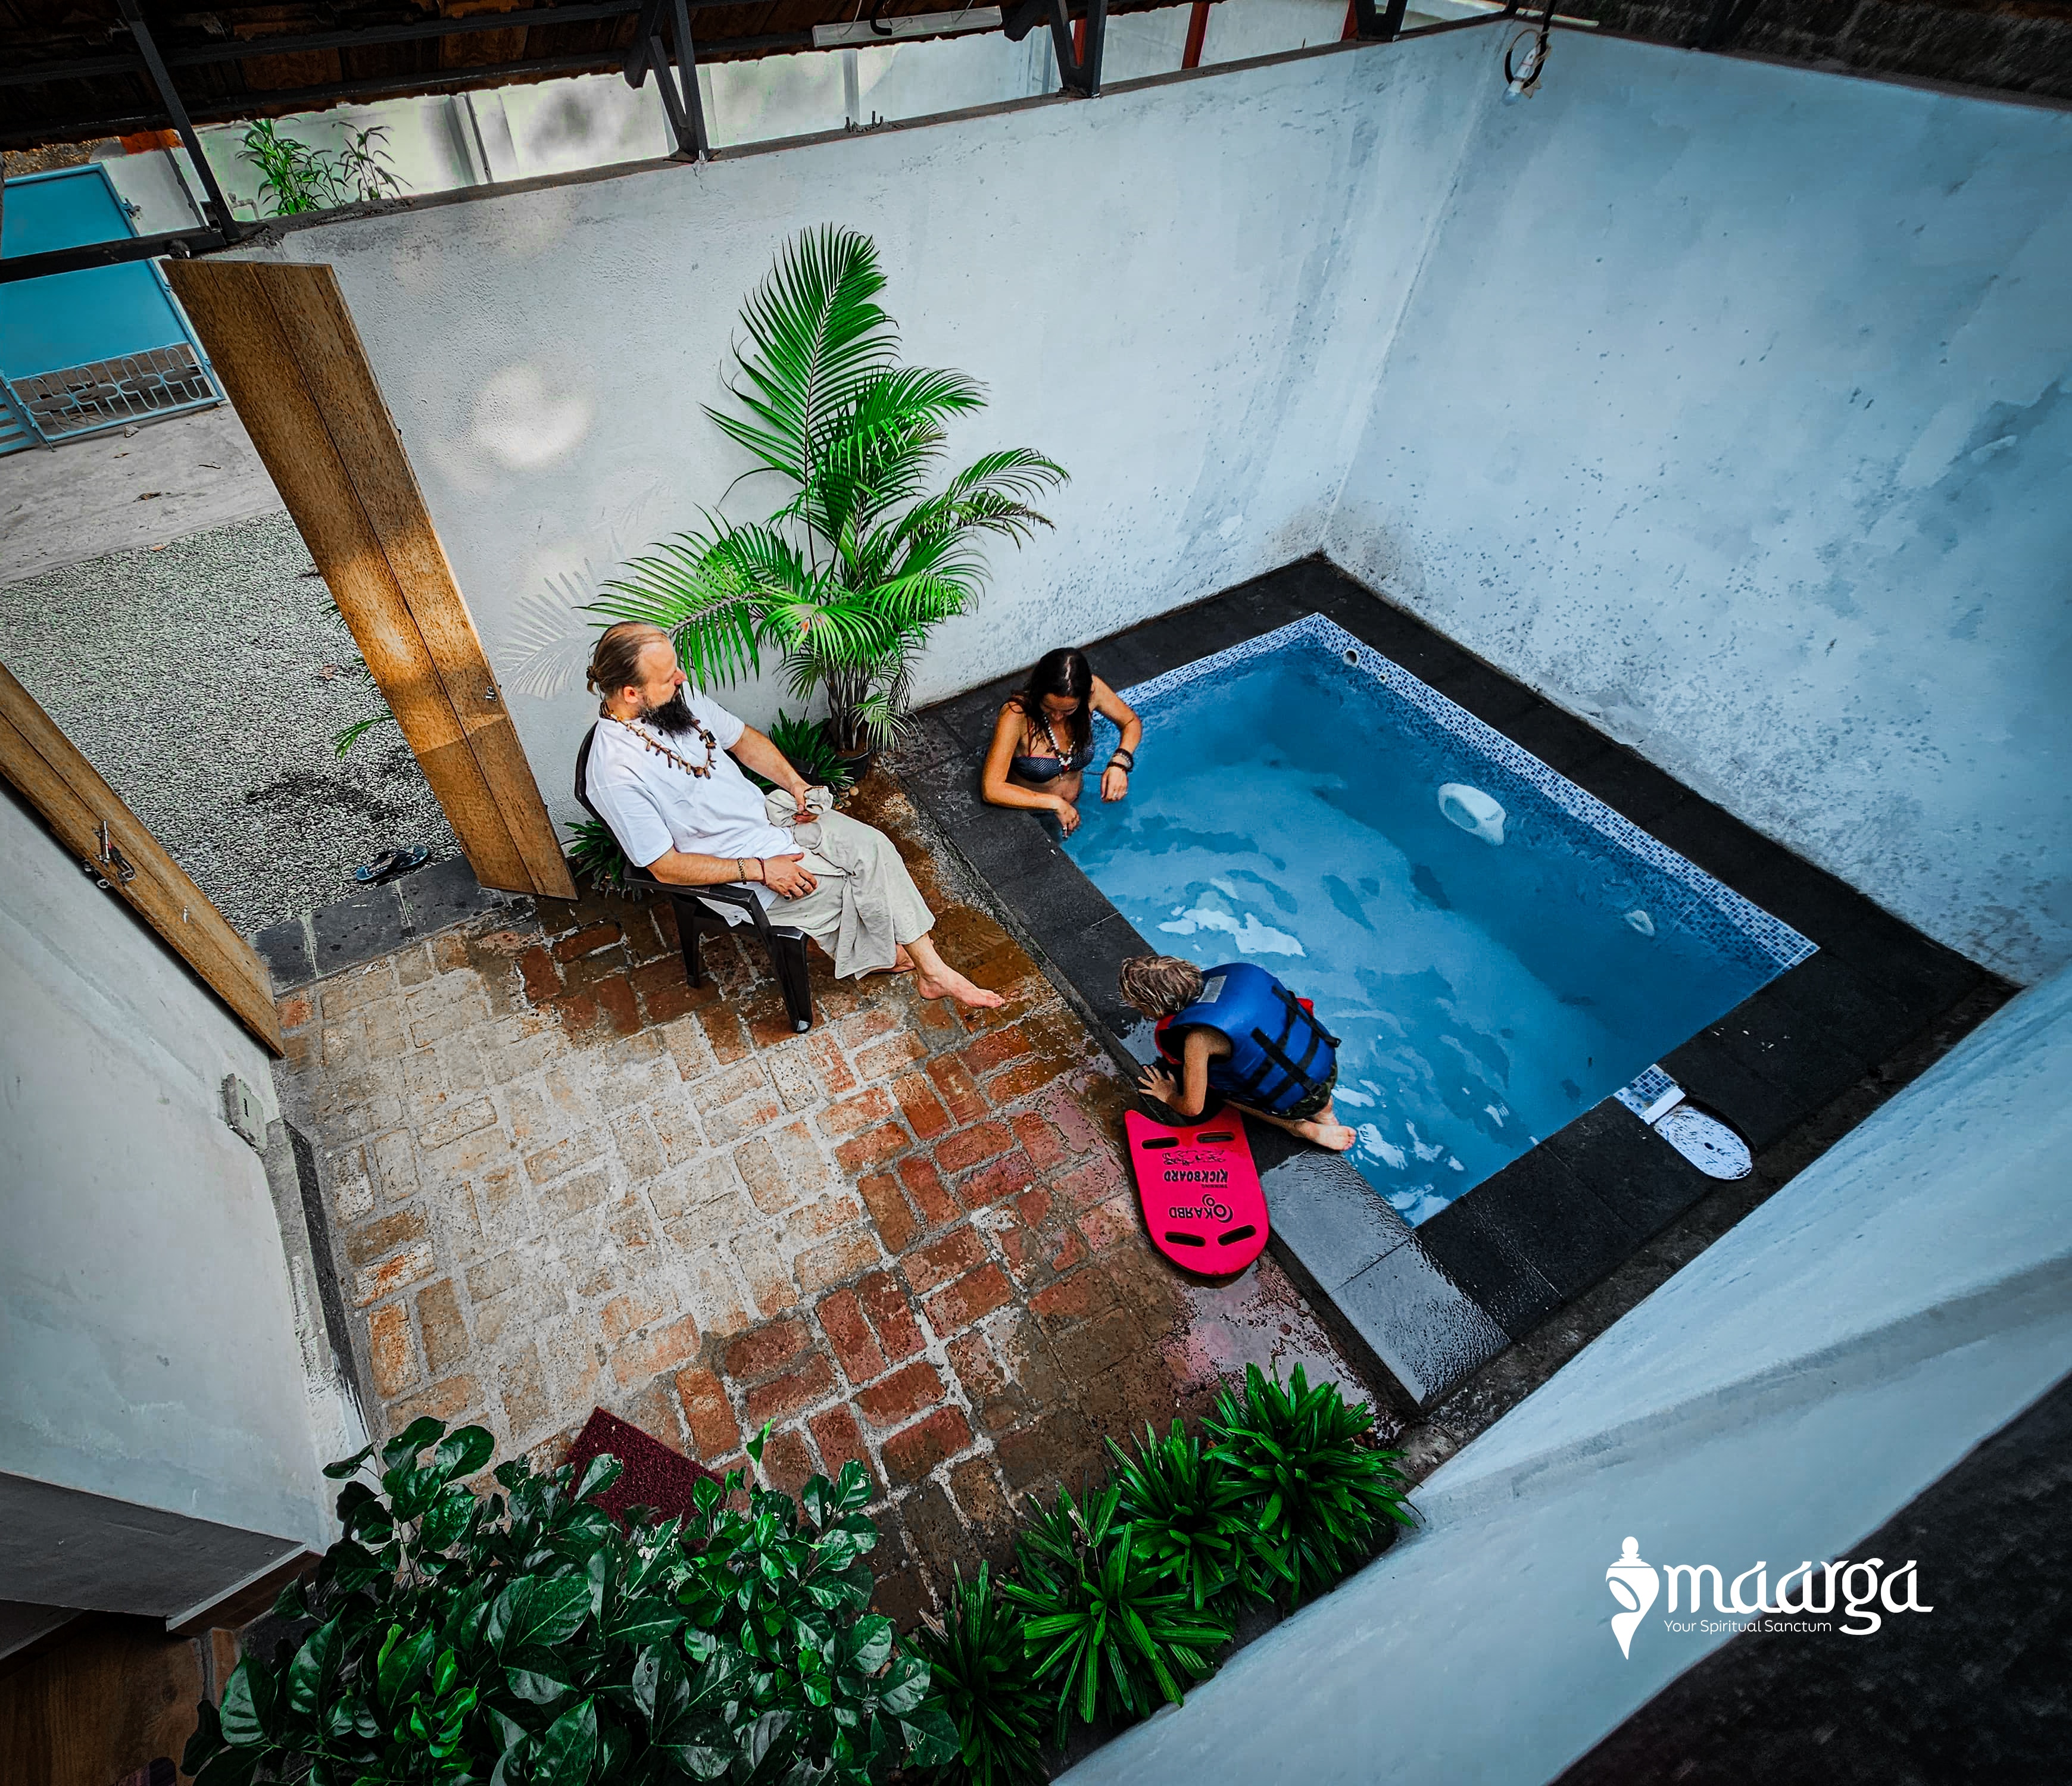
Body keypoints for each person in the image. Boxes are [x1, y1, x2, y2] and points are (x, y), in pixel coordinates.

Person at [582, 622, 1002, 1010]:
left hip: (771, 817)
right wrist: (761, 869)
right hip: (740, 869)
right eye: (668, 677)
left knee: (874, 848)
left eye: (677, 668)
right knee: (852, 887)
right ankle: (908, 962)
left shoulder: (678, 700)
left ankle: (927, 970)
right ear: (631, 694)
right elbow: (665, 867)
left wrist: (795, 785)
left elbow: (743, 740)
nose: (682, 678)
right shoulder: (616, 772)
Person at [1118, 955, 1355, 1153]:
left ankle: (1298, 1128)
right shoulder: (1245, 974)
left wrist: (1168, 1094)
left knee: (1219, 1092)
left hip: (1298, 1102)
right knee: (1292, 1061)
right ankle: (1325, 1112)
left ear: (1154, 1007)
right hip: (1327, 1065)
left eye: (1140, 1007)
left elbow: (1192, 1107)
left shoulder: (1199, 1039)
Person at [979, 647, 1141, 836]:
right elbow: (992, 789)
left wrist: (1120, 762)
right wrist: (1054, 803)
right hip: (1031, 814)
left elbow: (1130, 722)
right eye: (1048, 707)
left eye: (1068, 710)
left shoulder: (1094, 691)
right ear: (1038, 693)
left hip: (1075, 803)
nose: (1057, 717)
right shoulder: (1016, 714)